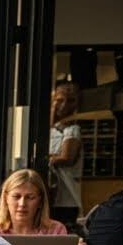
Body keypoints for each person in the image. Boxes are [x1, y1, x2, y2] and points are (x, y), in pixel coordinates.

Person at [0, 169, 68, 237]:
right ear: (5, 198)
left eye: (30, 197)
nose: (22, 204)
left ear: (40, 201)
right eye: (16, 197)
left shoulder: (55, 231)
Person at [48, 81, 83, 227]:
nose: (64, 105)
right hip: (51, 195)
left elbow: (67, 157)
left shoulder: (73, 130)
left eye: (70, 101)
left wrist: (48, 159)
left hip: (66, 197)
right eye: (59, 100)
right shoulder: (51, 128)